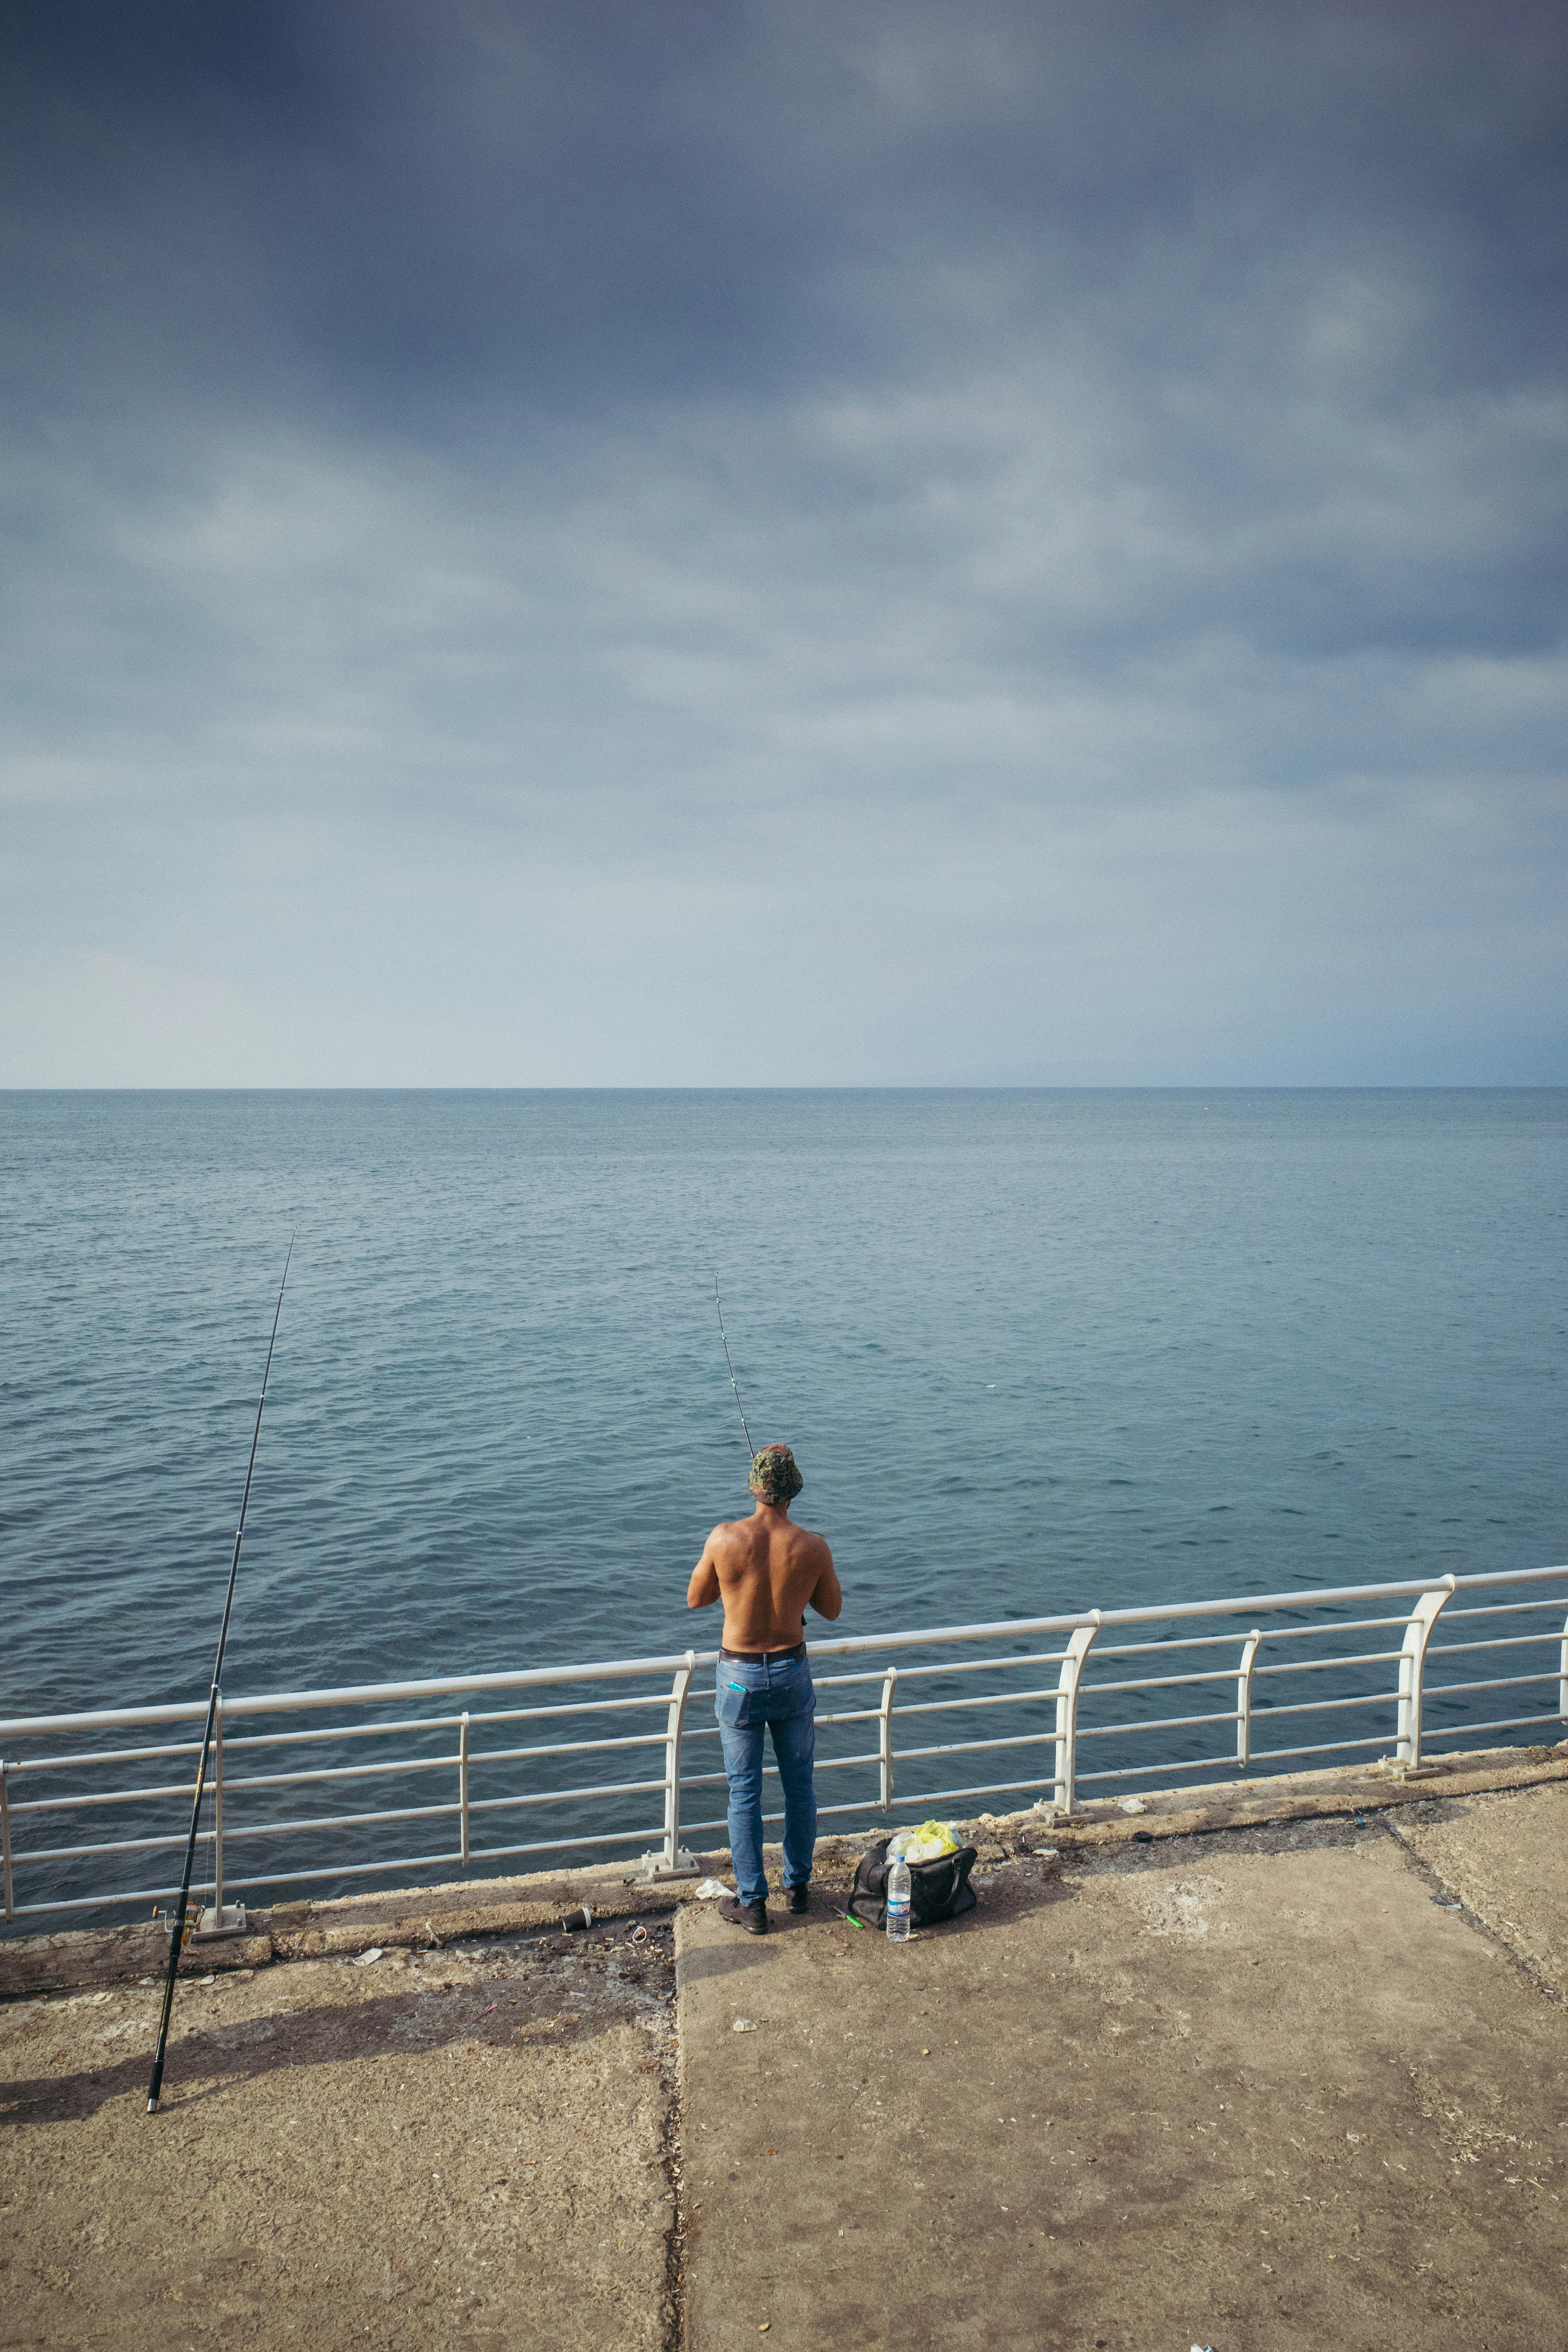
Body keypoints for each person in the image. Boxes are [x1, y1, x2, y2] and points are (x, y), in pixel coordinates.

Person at [686, 1442, 842, 1934]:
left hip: (739, 1676)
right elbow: (831, 1610)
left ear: (755, 1488)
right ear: (793, 1491)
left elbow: (696, 1599)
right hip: (791, 1671)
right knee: (800, 1786)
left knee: (744, 1793)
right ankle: (798, 1888)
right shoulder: (812, 1546)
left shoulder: (724, 1538)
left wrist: (738, 1583)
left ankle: (753, 1904)